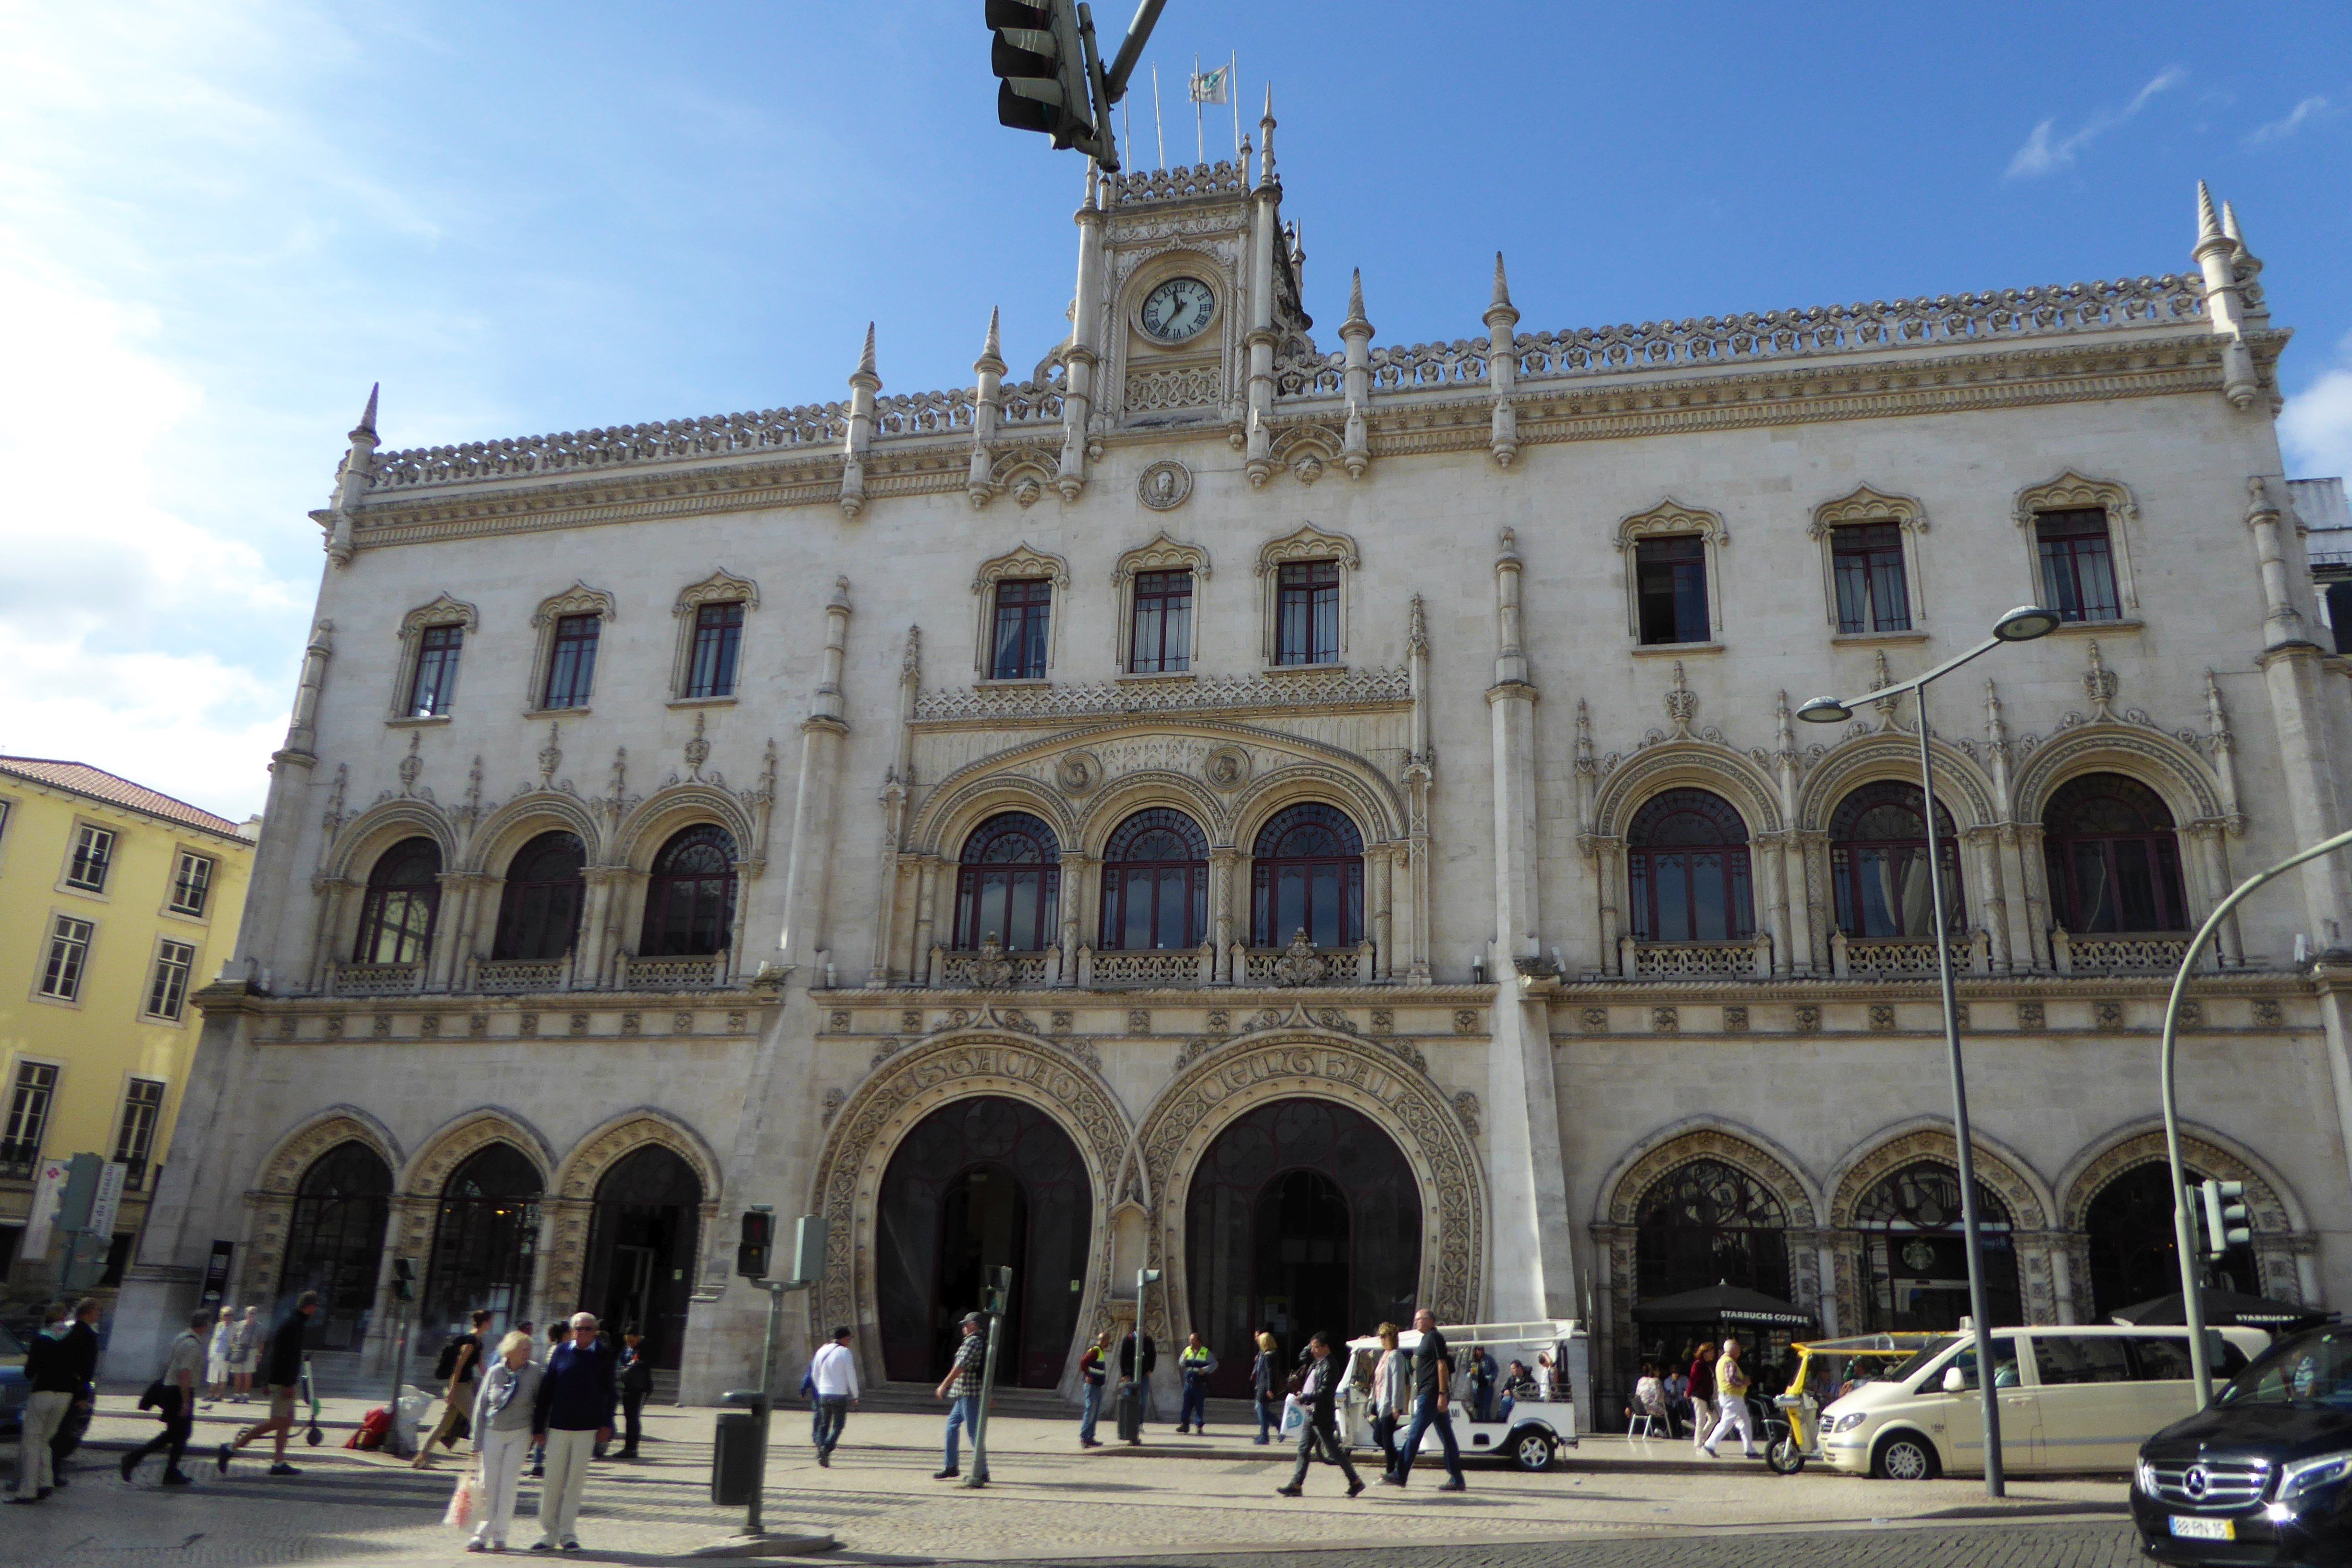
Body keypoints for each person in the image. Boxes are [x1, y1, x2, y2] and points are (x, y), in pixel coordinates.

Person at [532, 1312, 616, 1551]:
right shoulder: (560, 1352)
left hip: (587, 1429)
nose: (583, 1333)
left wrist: (606, 1424)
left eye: (589, 1329)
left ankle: (568, 1534)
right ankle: (548, 1533)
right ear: (572, 1330)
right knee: (552, 1482)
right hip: (558, 1426)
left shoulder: (603, 1355)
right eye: (579, 1328)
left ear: (595, 1331)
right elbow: (547, 1390)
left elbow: (610, 1393)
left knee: (574, 1483)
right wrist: (539, 1427)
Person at [220, 1290, 318, 1477]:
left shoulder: (294, 1323)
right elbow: (284, 1357)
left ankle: (279, 1463)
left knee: (287, 1421)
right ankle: (231, 1448)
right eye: (315, 1306)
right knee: (278, 1421)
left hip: (284, 1380)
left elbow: (280, 1355)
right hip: (284, 1382)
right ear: (310, 1307)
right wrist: (285, 1383)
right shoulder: (294, 1325)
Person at [466, 1330, 543, 1553]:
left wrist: (539, 1432)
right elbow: (481, 1407)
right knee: (488, 1484)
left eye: (529, 1349)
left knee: (508, 1485)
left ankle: (500, 1535)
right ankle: (480, 1535)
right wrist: (476, 1442)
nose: (527, 1353)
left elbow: (541, 1403)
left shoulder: (535, 1372)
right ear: (510, 1351)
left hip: (520, 1432)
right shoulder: (495, 1372)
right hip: (493, 1431)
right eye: (523, 1349)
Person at [124, 1308, 210, 1487]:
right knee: (180, 1433)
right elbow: (184, 1373)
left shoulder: (181, 1337)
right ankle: (137, 1459)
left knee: (177, 1433)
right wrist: (186, 1401)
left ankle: (166, 1469)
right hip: (179, 1392)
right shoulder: (192, 1345)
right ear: (205, 1326)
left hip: (171, 1389)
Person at [1274, 1331, 1363, 1498]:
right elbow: (1302, 1357)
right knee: (1303, 1449)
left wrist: (1306, 1397)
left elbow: (1325, 1393)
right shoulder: (1318, 1362)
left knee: (1333, 1451)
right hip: (1311, 1413)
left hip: (1321, 1415)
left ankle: (1355, 1481)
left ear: (1325, 1348)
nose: (1312, 1351)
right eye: (1313, 1347)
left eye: (1316, 1347)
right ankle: (1296, 1484)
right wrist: (1311, 1344)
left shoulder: (1330, 1365)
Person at [1386, 1307, 1464, 1491]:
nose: (1416, 1323)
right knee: (1447, 1437)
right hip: (1430, 1394)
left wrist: (1442, 1394)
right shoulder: (1426, 1339)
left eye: (1419, 1319)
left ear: (1429, 1320)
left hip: (1431, 1395)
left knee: (1415, 1433)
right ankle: (1457, 1478)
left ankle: (1401, 1473)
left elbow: (1442, 1364)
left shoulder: (1434, 1338)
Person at [416, 1309, 491, 1470]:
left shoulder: (479, 1342)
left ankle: (421, 1457)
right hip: (460, 1388)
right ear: (484, 1323)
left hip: (466, 1386)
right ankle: (486, 1460)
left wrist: (493, 1382)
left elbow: (483, 1367)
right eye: (490, 1321)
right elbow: (458, 1367)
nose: (492, 1324)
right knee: (478, 1420)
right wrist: (452, 1390)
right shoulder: (470, 1342)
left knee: (443, 1424)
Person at [14, 1302, 73, 1503]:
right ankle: (46, 1481)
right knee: (46, 1440)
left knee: (31, 1441)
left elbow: (30, 1371)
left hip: (43, 1392)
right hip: (65, 1395)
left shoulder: (42, 1339)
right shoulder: (72, 1339)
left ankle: (28, 1489)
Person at [49, 1298, 102, 1485]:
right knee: (63, 1433)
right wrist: (83, 1395)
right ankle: (52, 1473)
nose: (99, 1315)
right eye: (97, 1311)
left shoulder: (65, 1331)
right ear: (89, 1313)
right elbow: (87, 1369)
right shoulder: (87, 1335)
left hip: (55, 1386)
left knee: (53, 1432)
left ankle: (47, 1472)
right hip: (72, 1390)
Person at [933, 1311, 985, 1480]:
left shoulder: (973, 1343)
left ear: (973, 1325)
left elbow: (960, 1367)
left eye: (966, 1324)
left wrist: (944, 1385)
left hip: (970, 1393)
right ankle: (951, 1466)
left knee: (973, 1432)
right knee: (952, 1425)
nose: (963, 1328)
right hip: (965, 1392)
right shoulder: (979, 1342)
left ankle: (982, 1472)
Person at [807, 1325, 857, 1467]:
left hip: (823, 1393)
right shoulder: (846, 1353)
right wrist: (855, 1395)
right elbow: (851, 1375)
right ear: (845, 1338)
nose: (850, 1341)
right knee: (838, 1426)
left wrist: (820, 1388)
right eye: (849, 1339)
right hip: (839, 1395)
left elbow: (815, 1372)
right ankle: (826, 1449)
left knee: (824, 1425)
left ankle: (821, 1450)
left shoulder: (822, 1350)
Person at [1703, 1336, 1759, 1459]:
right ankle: (1710, 1445)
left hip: (1733, 1396)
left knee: (1745, 1422)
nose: (1740, 1352)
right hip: (1732, 1396)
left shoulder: (1723, 1361)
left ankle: (1749, 1449)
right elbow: (1732, 1379)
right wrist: (1745, 1382)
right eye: (1738, 1349)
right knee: (1727, 1422)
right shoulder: (1729, 1362)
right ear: (1733, 1350)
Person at [1368, 1323, 1410, 1477]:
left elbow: (1398, 1382)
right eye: (1380, 1336)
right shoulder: (1384, 1356)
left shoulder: (1395, 1356)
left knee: (1386, 1438)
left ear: (1391, 1337)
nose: (1381, 1339)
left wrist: (1396, 1406)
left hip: (1389, 1405)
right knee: (1378, 1437)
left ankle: (1391, 1471)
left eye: (1383, 1336)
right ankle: (1400, 1461)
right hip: (1380, 1404)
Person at [614, 1325, 657, 1461]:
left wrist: (633, 1366)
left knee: (634, 1417)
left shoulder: (646, 1347)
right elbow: (622, 1361)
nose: (630, 1344)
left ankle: (632, 1448)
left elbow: (646, 1363)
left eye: (632, 1341)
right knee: (628, 1416)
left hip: (640, 1387)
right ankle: (628, 1447)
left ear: (638, 1338)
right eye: (628, 1341)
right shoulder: (627, 1349)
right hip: (628, 1386)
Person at [1116, 1323, 1157, 1446]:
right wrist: (1125, 1374)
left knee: (1143, 1400)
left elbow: (1153, 1355)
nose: (1144, 1330)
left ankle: (1139, 1423)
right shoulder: (1128, 1340)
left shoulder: (1148, 1340)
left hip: (1144, 1375)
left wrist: (1151, 1369)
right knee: (1130, 1399)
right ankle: (1130, 1425)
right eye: (1142, 1328)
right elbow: (1123, 1358)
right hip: (1131, 1375)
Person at [1176, 1333, 1217, 1434]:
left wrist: (1205, 1370)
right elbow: (1181, 1363)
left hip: (1200, 1384)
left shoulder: (1205, 1352)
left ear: (1199, 1341)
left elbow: (1215, 1364)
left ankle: (1199, 1425)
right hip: (1189, 1383)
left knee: (1199, 1406)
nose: (1191, 1342)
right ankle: (1185, 1425)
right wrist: (1184, 1359)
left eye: (1193, 1340)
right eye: (1190, 1340)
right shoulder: (1187, 1350)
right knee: (1186, 1405)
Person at [1077, 1331, 1112, 1448]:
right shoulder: (1096, 1350)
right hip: (1092, 1386)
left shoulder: (1100, 1352)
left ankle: (1090, 1437)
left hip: (1097, 1386)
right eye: (1107, 1340)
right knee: (1090, 1411)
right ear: (1104, 1341)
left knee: (1095, 1413)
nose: (1107, 1343)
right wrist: (1089, 1375)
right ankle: (1084, 1438)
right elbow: (1083, 1362)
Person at [1250, 1332, 1280, 1446]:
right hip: (1262, 1385)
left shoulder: (1269, 1356)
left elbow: (1270, 1373)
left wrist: (1269, 1389)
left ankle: (1265, 1436)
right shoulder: (1269, 1353)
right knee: (1261, 1410)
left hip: (1264, 1387)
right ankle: (1279, 1425)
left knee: (1261, 1411)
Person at [1687, 1342, 1717, 1452]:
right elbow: (1693, 1379)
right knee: (1701, 1420)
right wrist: (1689, 1392)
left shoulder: (1707, 1365)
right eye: (1711, 1352)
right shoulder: (1698, 1364)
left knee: (1714, 1418)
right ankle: (1698, 1444)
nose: (1713, 1354)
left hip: (1706, 1396)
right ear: (1704, 1352)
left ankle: (1702, 1438)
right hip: (1699, 1395)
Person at [227, 1306, 260, 1403]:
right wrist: (234, 1348)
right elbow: (233, 1337)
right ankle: (236, 1395)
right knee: (238, 1374)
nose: (251, 1315)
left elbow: (261, 1342)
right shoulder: (239, 1325)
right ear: (246, 1314)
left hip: (252, 1350)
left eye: (253, 1313)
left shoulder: (259, 1326)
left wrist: (260, 1354)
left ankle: (246, 1395)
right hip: (239, 1350)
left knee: (248, 1374)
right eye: (250, 1313)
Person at [202, 1309, 234, 1407]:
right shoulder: (219, 1326)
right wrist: (210, 1352)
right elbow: (214, 1339)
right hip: (216, 1352)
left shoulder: (235, 1326)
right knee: (213, 1374)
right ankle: (211, 1394)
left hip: (226, 1353)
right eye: (225, 1315)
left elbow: (235, 1341)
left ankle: (220, 1395)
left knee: (223, 1375)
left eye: (229, 1315)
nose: (227, 1317)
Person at [1471, 1345, 1499, 1422]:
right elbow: (1468, 1373)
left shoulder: (1488, 1359)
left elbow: (1496, 1369)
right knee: (1478, 1408)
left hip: (1488, 1386)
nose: (1481, 1351)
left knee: (1487, 1407)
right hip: (1476, 1388)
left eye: (1482, 1349)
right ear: (1476, 1350)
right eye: (1479, 1350)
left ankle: (1487, 1423)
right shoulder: (1472, 1360)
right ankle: (1479, 1424)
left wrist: (1493, 1379)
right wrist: (1470, 1373)